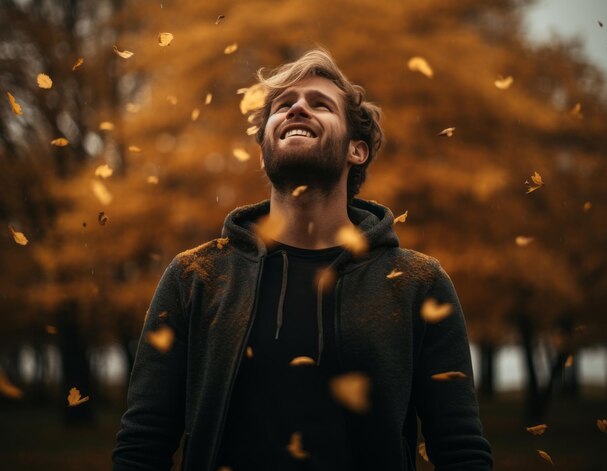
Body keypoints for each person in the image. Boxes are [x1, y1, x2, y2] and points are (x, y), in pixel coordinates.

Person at [112, 48, 493, 471]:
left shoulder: (416, 282)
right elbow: (143, 443)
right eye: (283, 105)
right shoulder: (196, 276)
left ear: (356, 151)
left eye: (320, 104)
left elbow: (459, 449)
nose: (297, 108)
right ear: (263, 152)